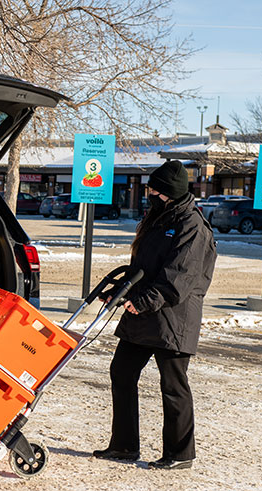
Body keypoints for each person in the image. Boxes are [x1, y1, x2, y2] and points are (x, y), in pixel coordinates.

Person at [93, 160, 217, 470]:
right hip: (145, 314)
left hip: (173, 317)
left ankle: (180, 453)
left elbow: (179, 278)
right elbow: (142, 270)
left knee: (173, 385)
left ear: (169, 192)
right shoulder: (160, 218)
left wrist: (145, 301)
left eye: (154, 189)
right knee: (121, 371)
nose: (149, 193)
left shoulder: (191, 225)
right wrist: (120, 291)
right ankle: (123, 446)